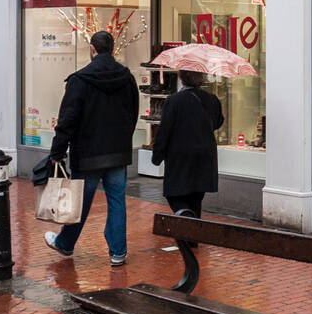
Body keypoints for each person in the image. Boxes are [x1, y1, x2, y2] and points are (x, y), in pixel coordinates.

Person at [43, 30, 139, 266]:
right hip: (117, 152)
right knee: (117, 201)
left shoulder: (80, 80)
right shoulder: (127, 78)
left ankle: (66, 243)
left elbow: (67, 119)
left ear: (92, 49)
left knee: (80, 203)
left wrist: (57, 152)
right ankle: (118, 251)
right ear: (113, 49)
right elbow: (133, 112)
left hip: (88, 153)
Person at [150, 70, 224, 218]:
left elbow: (164, 131)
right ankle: (191, 236)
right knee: (195, 200)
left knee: (176, 197)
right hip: (204, 156)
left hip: (180, 158)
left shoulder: (173, 101)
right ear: (201, 78)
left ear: (182, 78)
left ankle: (186, 228)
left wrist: (157, 156)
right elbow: (218, 122)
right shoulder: (212, 99)